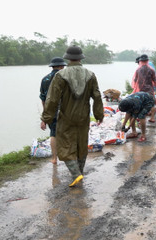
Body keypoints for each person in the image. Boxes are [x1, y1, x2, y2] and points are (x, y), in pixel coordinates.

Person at [41, 45, 104, 187]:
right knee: (81, 144)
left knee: (64, 145)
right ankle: (79, 172)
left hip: (66, 117)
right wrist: (99, 114)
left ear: (67, 58)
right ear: (81, 58)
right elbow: (97, 96)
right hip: (84, 116)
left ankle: (76, 174)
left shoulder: (60, 75)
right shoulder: (90, 74)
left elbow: (52, 100)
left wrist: (46, 118)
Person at [39, 57, 67, 164]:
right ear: (61, 67)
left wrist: (45, 116)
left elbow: (43, 99)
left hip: (51, 111)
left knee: (53, 134)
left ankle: (54, 158)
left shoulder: (45, 80)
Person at [131, 54, 156, 123]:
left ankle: (141, 119)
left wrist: (135, 88)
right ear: (147, 61)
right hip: (149, 89)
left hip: (141, 89)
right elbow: (155, 80)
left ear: (140, 61)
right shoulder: (151, 69)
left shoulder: (138, 70)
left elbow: (135, 80)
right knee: (151, 102)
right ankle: (152, 118)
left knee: (142, 103)